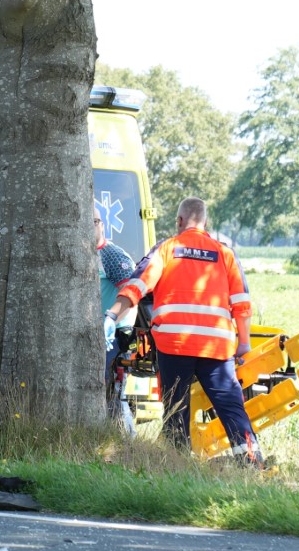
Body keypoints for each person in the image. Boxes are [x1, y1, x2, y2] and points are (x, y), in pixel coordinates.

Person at [107, 197, 262, 466]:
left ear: (179, 221)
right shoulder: (225, 254)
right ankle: (251, 459)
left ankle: (177, 463)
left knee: (176, 405)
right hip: (216, 346)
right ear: (205, 223)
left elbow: (137, 286)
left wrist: (111, 315)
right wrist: (244, 344)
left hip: (174, 344)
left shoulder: (167, 249)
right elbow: (242, 303)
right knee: (230, 404)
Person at [94, 211, 138, 422]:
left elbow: (131, 295)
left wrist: (111, 321)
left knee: (107, 385)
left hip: (115, 335)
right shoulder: (87, 254)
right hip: (97, 332)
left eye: (93, 222)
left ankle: (122, 435)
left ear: (101, 224)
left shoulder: (111, 255)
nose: (89, 227)